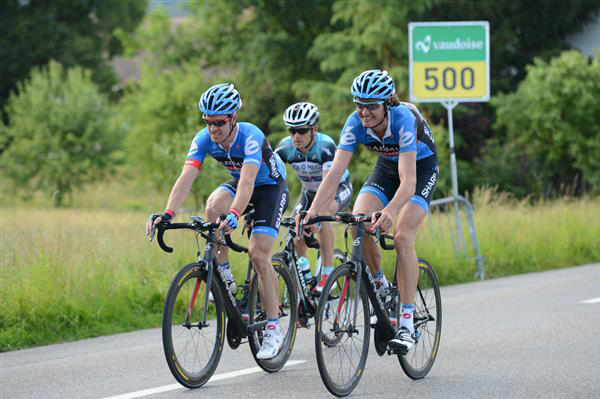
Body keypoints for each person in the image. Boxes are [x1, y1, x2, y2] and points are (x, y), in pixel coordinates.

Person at [146, 83, 289, 360]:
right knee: (211, 207)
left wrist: (235, 214)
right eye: (208, 122)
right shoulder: (204, 138)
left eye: (219, 122)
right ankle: (223, 274)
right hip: (242, 184)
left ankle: (273, 328)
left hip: (269, 187)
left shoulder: (250, 136)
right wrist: (167, 214)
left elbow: (248, 182)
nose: (213, 129)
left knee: (259, 254)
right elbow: (186, 177)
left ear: (233, 118)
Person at [300, 70, 438, 352]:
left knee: (402, 236)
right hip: (386, 168)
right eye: (359, 104)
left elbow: (409, 181)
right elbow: (335, 172)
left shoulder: (403, 119)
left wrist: (388, 211)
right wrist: (313, 211)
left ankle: (408, 324)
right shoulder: (354, 123)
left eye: (371, 105)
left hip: (419, 170)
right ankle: (381, 285)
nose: (364, 112)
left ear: (387, 104)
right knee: (357, 224)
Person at [275, 102, 353, 293]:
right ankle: (302, 273)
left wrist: (315, 214)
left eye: (301, 131)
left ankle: (327, 274)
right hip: (309, 192)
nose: (296, 136)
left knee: (322, 214)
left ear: (314, 129)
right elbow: (272, 179)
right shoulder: (285, 148)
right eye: (292, 130)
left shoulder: (325, 146)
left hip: (337, 189)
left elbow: (328, 185)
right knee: (297, 225)